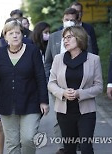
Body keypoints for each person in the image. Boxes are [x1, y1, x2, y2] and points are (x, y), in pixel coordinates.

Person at [0, 19, 49, 154]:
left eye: (17, 33)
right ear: (5, 37)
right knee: (12, 143)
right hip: (6, 105)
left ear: (22, 35)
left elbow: (40, 77)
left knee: (28, 138)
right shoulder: (0, 53)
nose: (15, 36)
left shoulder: (33, 51)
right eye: (11, 33)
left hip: (30, 103)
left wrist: (44, 101)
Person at [48, 26, 103, 154]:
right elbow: (51, 83)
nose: (65, 41)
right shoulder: (58, 59)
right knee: (69, 149)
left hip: (86, 112)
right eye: (64, 38)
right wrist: (63, 93)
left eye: (69, 37)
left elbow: (99, 86)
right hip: (64, 112)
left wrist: (80, 93)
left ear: (79, 38)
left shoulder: (94, 59)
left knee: (86, 148)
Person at [44, 7, 91, 154]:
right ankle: (63, 146)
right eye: (66, 20)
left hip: (79, 84)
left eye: (72, 20)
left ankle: (79, 143)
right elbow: (47, 61)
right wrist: (50, 82)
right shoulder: (54, 37)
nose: (69, 22)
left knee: (80, 116)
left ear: (78, 21)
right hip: (58, 85)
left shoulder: (85, 38)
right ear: (62, 21)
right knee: (61, 117)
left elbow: (91, 60)